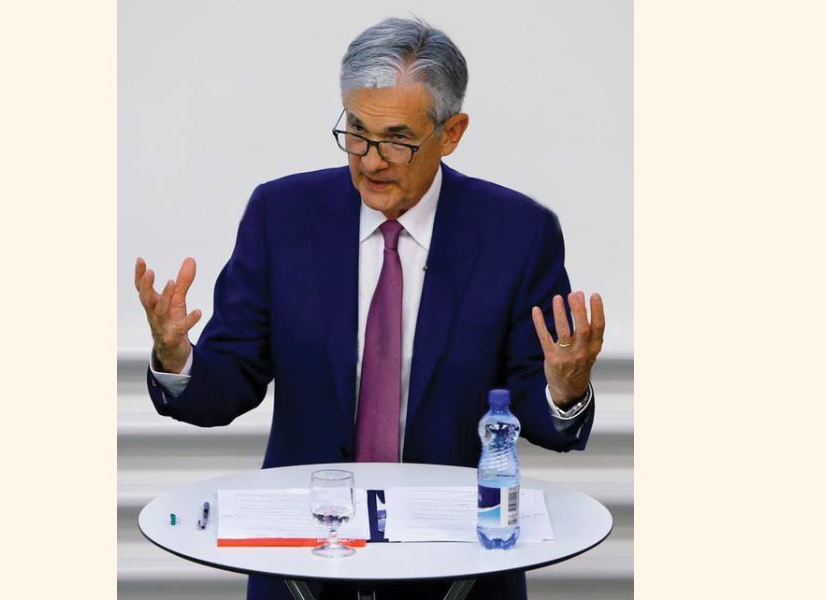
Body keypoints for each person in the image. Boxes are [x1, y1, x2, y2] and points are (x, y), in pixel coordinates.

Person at [135, 17, 605, 600]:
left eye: (397, 140)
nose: (370, 160)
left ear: (451, 132)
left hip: (458, 573)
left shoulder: (518, 234)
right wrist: (177, 359)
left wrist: (565, 390)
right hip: (303, 570)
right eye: (356, 132)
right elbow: (229, 387)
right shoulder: (281, 216)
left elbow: (540, 414)